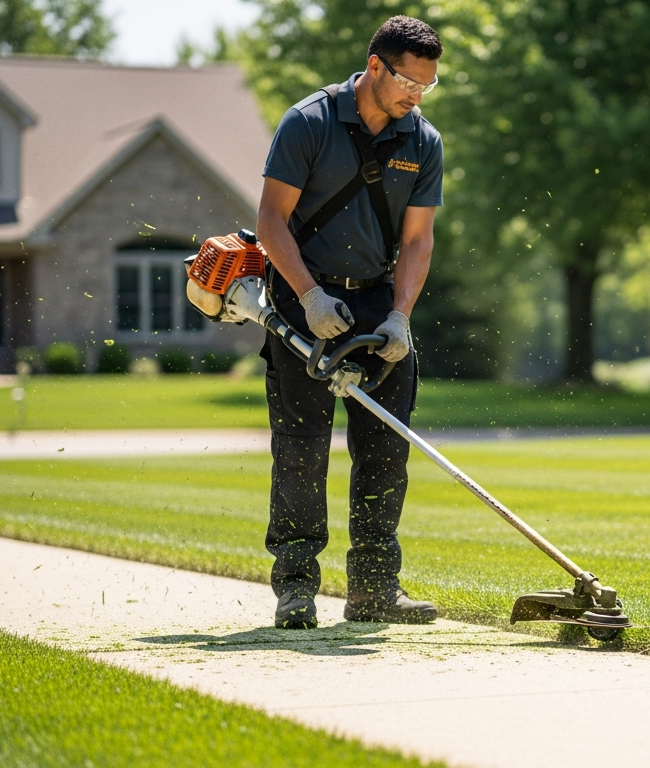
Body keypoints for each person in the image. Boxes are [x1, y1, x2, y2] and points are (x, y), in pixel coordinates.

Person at [254, 16, 444, 629]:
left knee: (386, 449)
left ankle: (373, 589)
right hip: (302, 299)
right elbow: (270, 223)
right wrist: (308, 297)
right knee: (302, 449)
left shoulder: (424, 142)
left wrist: (400, 317)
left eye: (427, 86)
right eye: (409, 83)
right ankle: (296, 588)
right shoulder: (308, 122)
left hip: (377, 304)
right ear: (374, 66)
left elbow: (418, 241)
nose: (416, 96)